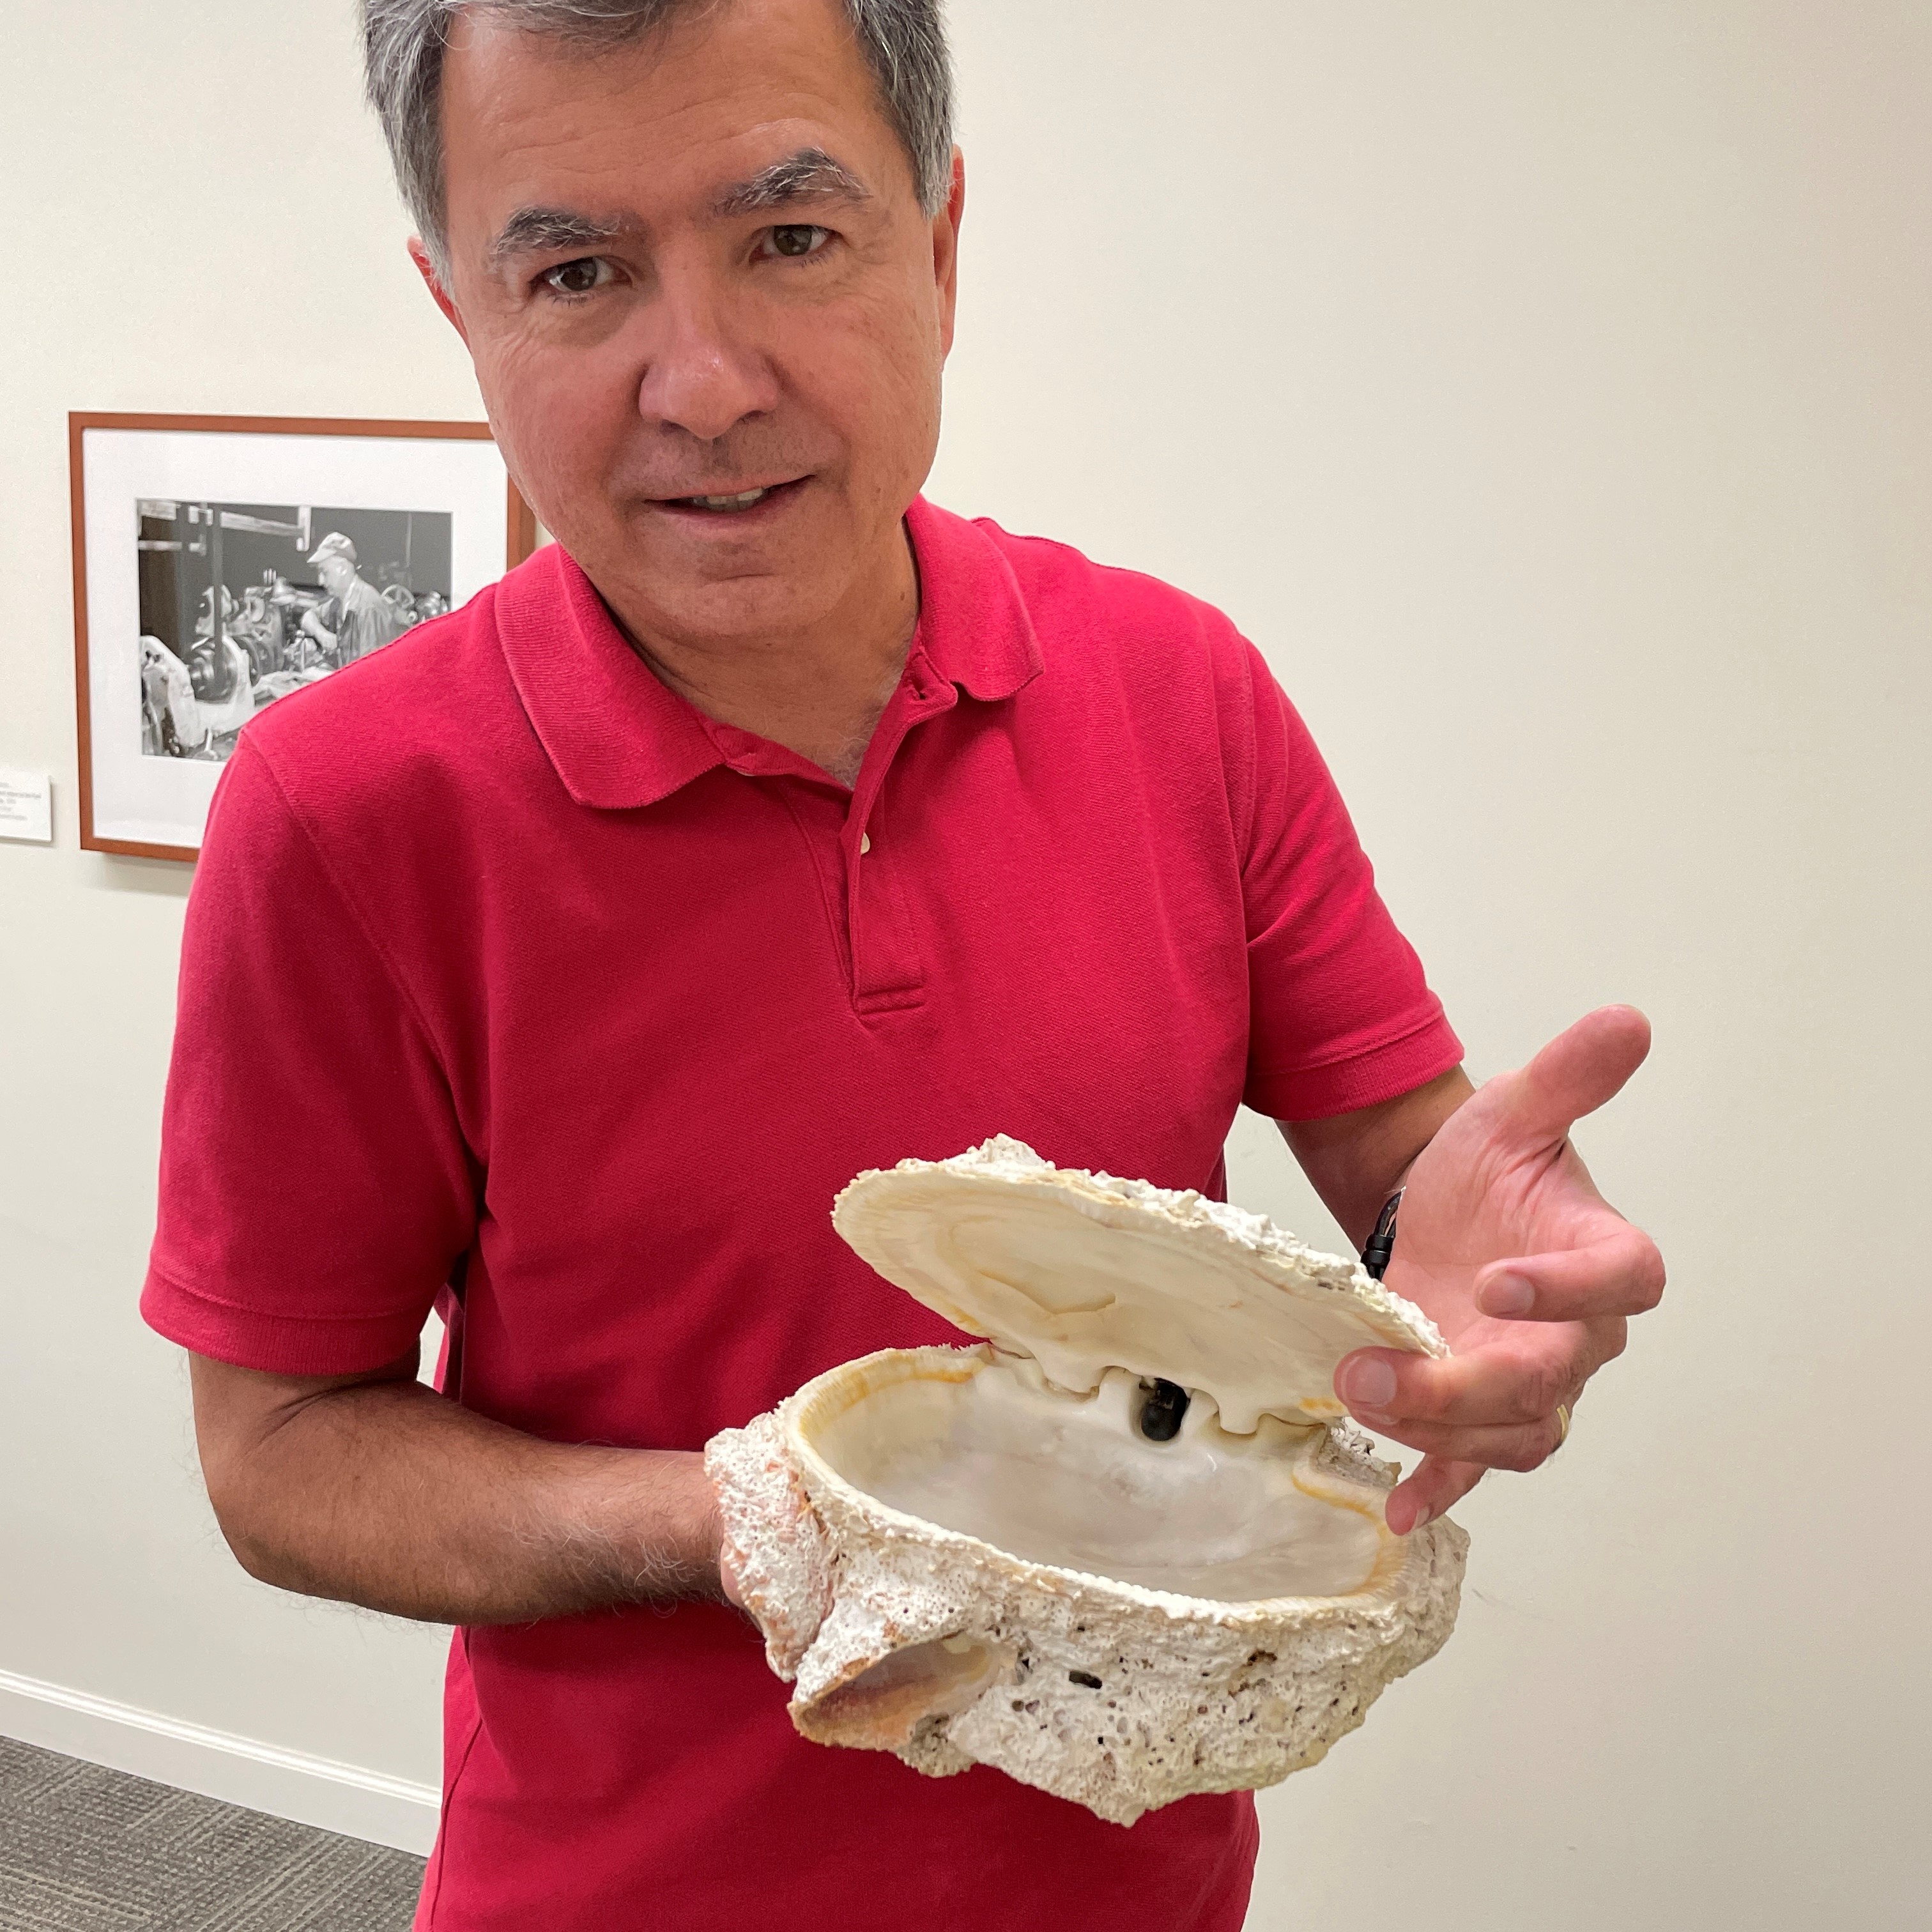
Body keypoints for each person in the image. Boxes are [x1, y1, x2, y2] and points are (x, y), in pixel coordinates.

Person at [143, 4, 1666, 1930]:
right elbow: (279, 1455)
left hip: (1148, 1890)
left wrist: (1494, 1302)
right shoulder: (344, 810)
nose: (701, 384)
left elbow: (1416, 1195)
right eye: (578, 272)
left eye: (792, 236)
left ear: (937, 247)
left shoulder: (1179, 695)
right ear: (460, 309)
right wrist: (773, 1520)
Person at [298, 530, 409, 665]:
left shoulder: (368, 607)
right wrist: (321, 633)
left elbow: (370, 670)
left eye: (325, 572)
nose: (320, 581)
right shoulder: (341, 601)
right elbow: (308, 616)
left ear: (343, 568)